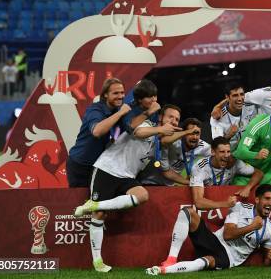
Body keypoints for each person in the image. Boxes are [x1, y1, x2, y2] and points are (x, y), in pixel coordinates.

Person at [74, 105, 187, 272]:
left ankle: (94, 204)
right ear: (161, 117)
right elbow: (138, 133)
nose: (174, 121)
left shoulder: (158, 140)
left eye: (177, 119)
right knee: (99, 216)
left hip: (127, 176)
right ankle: (97, 262)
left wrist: (185, 133)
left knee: (142, 195)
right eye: (171, 117)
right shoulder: (146, 123)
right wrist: (161, 128)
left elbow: (164, 146)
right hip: (107, 169)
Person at [147, 185, 271, 275]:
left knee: (208, 260)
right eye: (267, 199)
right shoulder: (240, 207)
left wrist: (269, 258)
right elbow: (227, 234)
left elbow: (266, 265)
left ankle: (163, 270)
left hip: (229, 258)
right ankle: (171, 259)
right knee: (188, 212)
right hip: (215, 241)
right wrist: (252, 226)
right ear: (257, 199)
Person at [66, 78, 131, 187]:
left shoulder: (115, 110)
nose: (120, 96)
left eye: (122, 92)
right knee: (81, 201)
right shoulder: (95, 110)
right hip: (80, 165)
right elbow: (97, 131)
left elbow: (129, 129)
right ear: (105, 94)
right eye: (115, 93)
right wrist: (121, 113)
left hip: (99, 166)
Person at [233, 90, 271, 185]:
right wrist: (256, 155)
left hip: (267, 173)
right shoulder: (258, 124)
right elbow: (239, 152)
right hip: (247, 173)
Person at [138, 118, 211, 186]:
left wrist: (202, 175)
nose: (195, 137)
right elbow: (167, 172)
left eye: (197, 133)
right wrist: (192, 182)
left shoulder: (202, 146)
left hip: (168, 185)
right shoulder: (173, 143)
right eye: (191, 133)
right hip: (148, 182)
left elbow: (216, 156)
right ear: (184, 133)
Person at [210, 83, 257, 150]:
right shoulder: (218, 116)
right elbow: (217, 145)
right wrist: (228, 136)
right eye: (235, 95)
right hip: (230, 154)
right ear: (227, 97)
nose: (240, 99)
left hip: (250, 149)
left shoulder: (251, 106)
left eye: (242, 94)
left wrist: (217, 106)